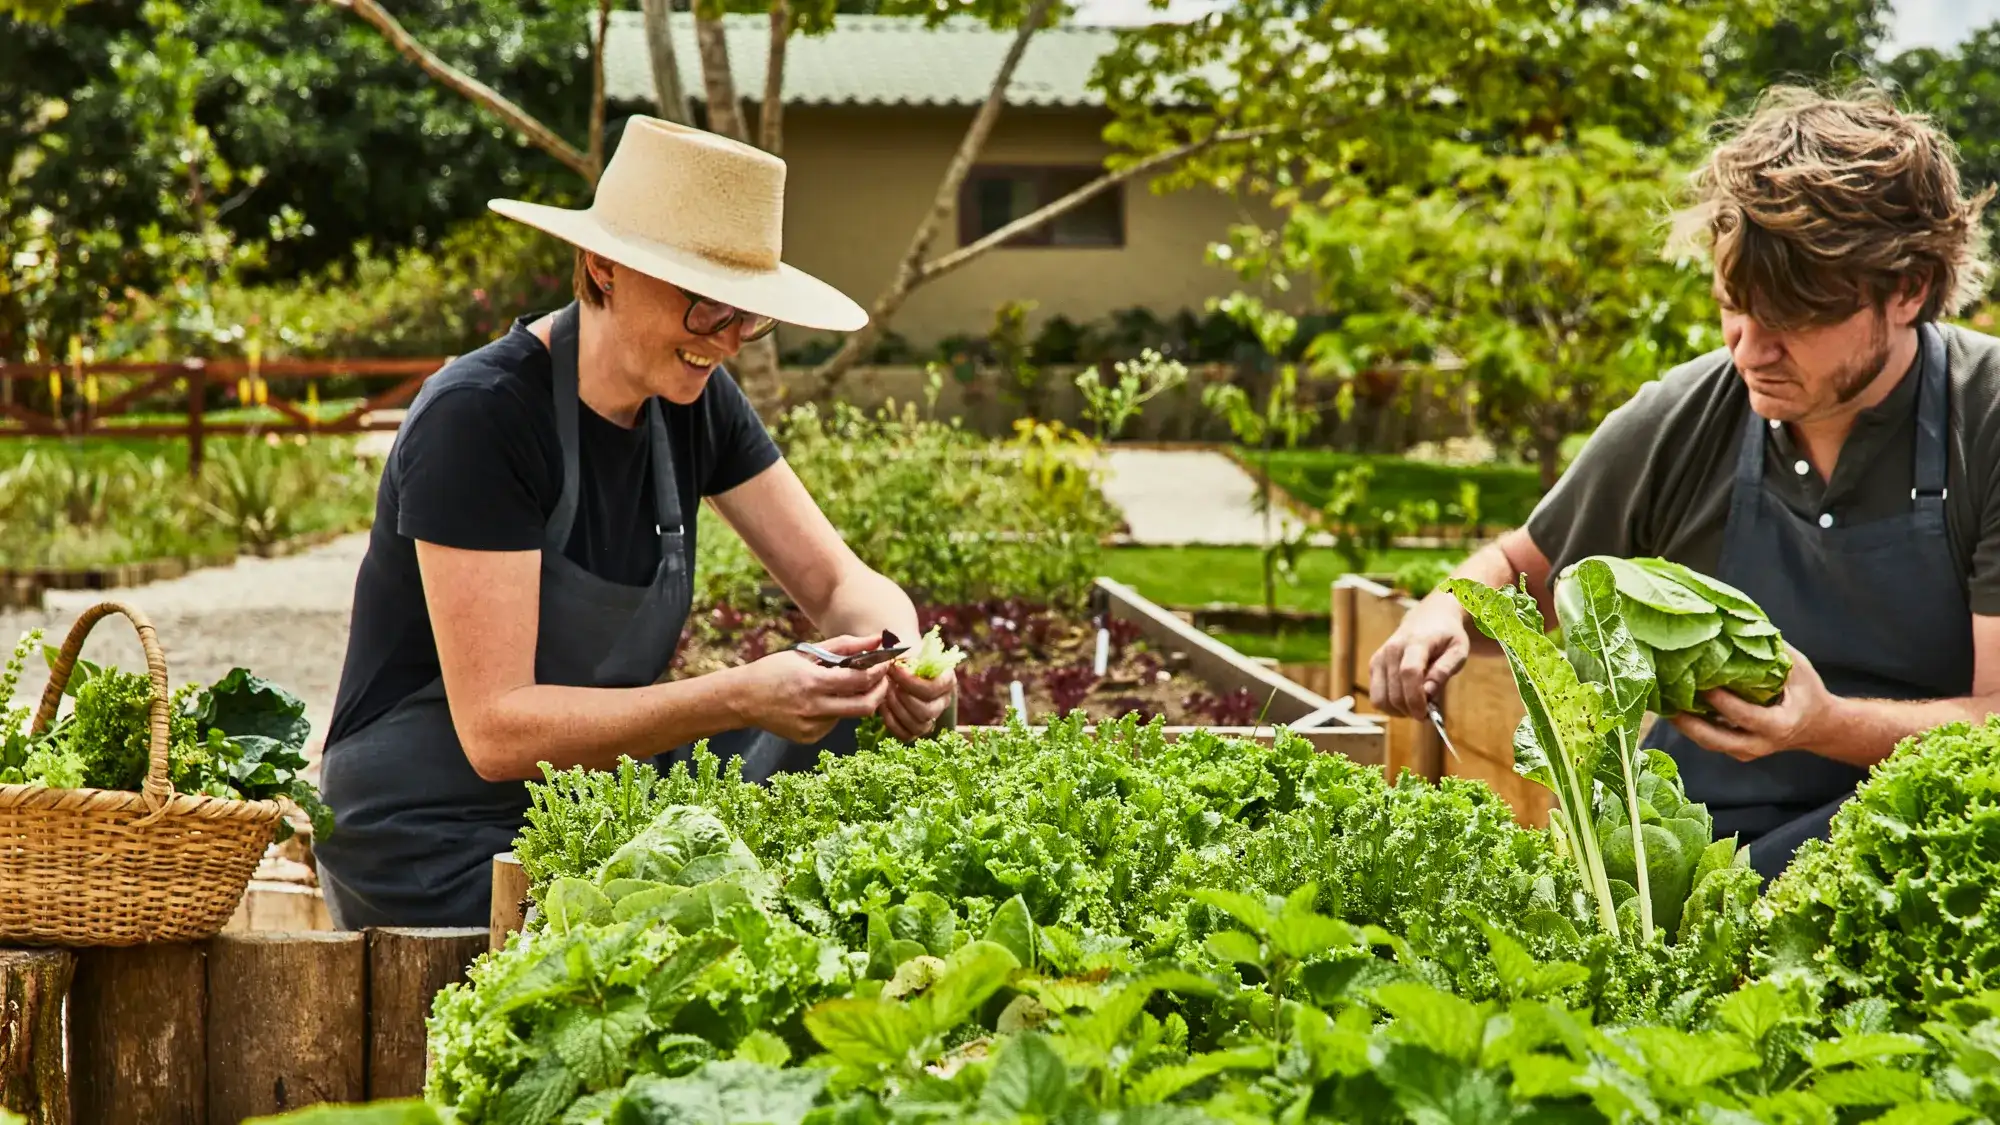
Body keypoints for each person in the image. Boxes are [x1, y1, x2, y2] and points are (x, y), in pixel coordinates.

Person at [313, 117, 956, 929]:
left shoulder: (693, 395)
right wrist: (738, 695)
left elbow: (836, 581)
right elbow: (496, 731)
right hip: (434, 825)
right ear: (603, 266)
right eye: (703, 309)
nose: (723, 342)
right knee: (705, 913)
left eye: (746, 317)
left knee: (848, 748)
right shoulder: (479, 418)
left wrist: (904, 654)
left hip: (586, 799)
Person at [1368, 85, 2000, 881]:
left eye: (1793, 321)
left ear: (1907, 289)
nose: (1749, 351)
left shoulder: (1986, 419)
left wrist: (1826, 723)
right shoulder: (1687, 415)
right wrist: (1447, 608)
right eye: (1734, 308)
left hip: (1909, 864)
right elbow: (1519, 567)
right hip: (1691, 870)